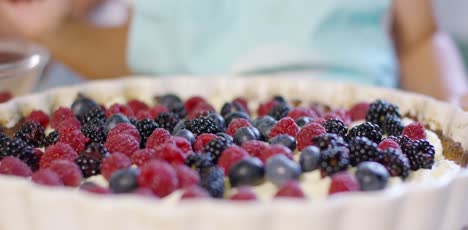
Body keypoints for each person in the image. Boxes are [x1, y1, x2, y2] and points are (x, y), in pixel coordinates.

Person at [1, 0, 468, 109]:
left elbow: (420, 38)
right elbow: (131, 54)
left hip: (357, 130)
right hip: (184, 138)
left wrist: (455, 105)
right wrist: (49, 31)